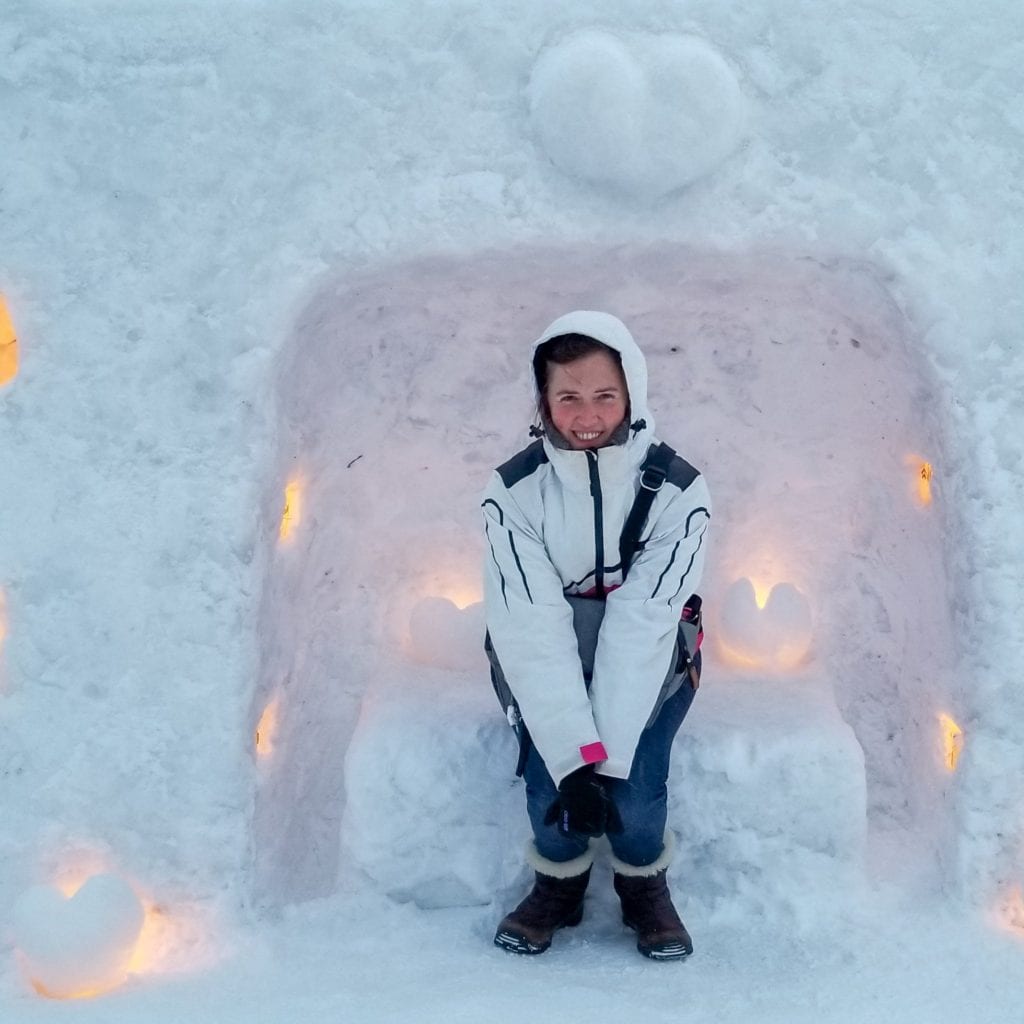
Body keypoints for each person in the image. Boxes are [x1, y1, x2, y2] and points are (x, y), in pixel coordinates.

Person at [481, 310, 711, 960]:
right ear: (544, 401)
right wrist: (571, 759)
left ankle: (645, 888)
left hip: (652, 654)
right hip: (546, 656)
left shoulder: (679, 492)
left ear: (632, 393)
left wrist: (602, 762)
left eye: (605, 396)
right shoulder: (512, 494)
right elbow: (530, 624)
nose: (588, 414)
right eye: (569, 396)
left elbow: (642, 625)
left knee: (634, 796)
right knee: (551, 789)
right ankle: (559, 884)